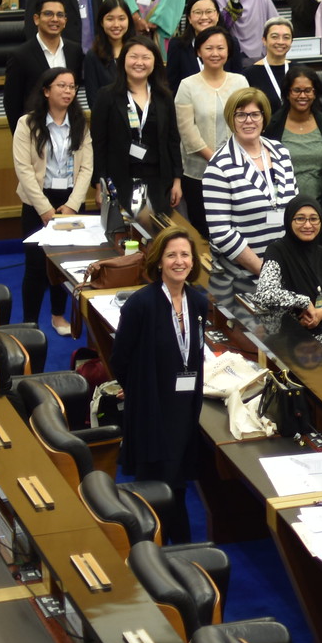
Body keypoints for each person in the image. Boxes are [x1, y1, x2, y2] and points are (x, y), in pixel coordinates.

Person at [110, 225, 211, 541]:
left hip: (184, 410)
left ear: (193, 261)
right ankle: (165, 548)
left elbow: (192, 354)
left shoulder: (198, 303)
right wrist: (138, 390)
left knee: (177, 485)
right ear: (158, 262)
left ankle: (176, 550)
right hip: (152, 410)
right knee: (158, 489)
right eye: (171, 255)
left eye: (184, 254)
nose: (179, 261)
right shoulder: (141, 304)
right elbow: (120, 359)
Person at [11, 68, 92, 337]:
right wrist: (44, 208)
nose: (68, 91)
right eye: (61, 86)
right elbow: (23, 168)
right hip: (38, 201)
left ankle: (58, 316)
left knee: (63, 265)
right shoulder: (27, 123)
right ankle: (30, 324)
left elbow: (86, 169)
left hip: (69, 201)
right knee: (35, 266)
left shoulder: (81, 122)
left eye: (72, 87)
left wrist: (72, 205)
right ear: (46, 91)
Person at [201, 87, 299, 286]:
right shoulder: (219, 166)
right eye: (241, 115)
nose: (249, 120)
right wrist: (265, 272)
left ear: (264, 118)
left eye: (255, 114)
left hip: (286, 266)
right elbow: (221, 232)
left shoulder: (281, 153)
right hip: (241, 277)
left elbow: (295, 209)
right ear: (231, 118)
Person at [91, 36, 183, 214]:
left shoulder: (164, 97)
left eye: (146, 57)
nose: (139, 62)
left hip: (158, 181)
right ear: (123, 59)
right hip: (119, 180)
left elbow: (173, 140)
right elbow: (98, 144)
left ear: (155, 61)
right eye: (133, 56)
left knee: (157, 235)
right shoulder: (106, 96)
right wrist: (99, 184)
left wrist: (177, 179)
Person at [173, 26, 248, 226]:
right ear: (198, 51)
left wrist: (231, 160)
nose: (215, 53)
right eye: (209, 48)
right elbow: (188, 132)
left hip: (237, 170)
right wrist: (216, 160)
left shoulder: (240, 82)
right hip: (198, 174)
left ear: (228, 51)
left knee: (236, 226)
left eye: (220, 48)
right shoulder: (187, 85)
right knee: (204, 229)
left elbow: (248, 122)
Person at [254, 197, 322, 354]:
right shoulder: (277, 251)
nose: (308, 225)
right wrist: (304, 302)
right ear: (289, 220)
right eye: (300, 218)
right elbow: (264, 293)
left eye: (314, 219)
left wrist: (320, 314)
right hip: (288, 341)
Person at [267, 67, 322, 238]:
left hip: (321, 210)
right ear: (287, 93)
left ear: (315, 93)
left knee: (317, 260)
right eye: (297, 90)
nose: (303, 96)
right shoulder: (272, 126)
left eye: (308, 90)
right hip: (284, 212)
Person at [2, 0, 81, 129]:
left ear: (65, 21)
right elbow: (12, 104)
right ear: (36, 19)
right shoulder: (20, 56)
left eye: (60, 15)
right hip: (35, 131)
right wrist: (21, 137)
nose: (55, 19)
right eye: (48, 14)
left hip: (67, 129)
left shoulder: (75, 52)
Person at [165, 0, 233, 87]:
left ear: (217, 15)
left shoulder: (231, 43)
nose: (204, 17)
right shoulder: (177, 45)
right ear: (189, 18)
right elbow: (172, 85)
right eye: (198, 12)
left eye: (209, 12)